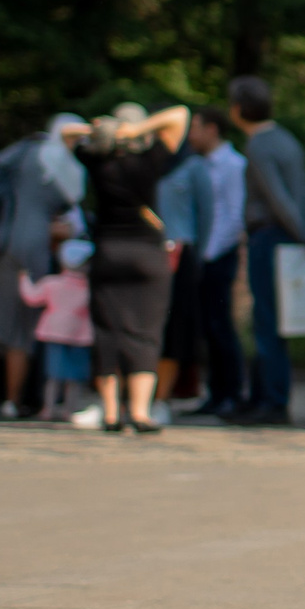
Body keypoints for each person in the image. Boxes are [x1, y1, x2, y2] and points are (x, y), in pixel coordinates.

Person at [60, 103, 190, 434]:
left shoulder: (98, 162)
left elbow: (64, 132)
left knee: (107, 331)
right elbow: (179, 115)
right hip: (147, 254)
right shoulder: (150, 162)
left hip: (107, 253)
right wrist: (137, 129)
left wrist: (97, 130)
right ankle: (141, 411)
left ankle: (110, 412)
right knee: (145, 333)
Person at [0, 113, 85, 420]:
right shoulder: (69, 168)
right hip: (32, 246)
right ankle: (13, 402)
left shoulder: (24, 151)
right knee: (20, 329)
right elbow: (71, 221)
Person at [227, 76, 305, 427]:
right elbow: (304, 191)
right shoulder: (287, 140)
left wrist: (301, 232)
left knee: (267, 321)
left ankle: (271, 400)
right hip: (290, 234)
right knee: (274, 320)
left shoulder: (259, 145)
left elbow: (278, 197)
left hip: (271, 236)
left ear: (239, 109)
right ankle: (262, 396)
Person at [153, 125, 215, 421]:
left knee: (175, 330)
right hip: (147, 252)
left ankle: (162, 399)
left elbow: (206, 215)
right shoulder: (145, 163)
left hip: (181, 254)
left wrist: (197, 256)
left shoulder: (192, 166)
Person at [189, 107, 248, 418]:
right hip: (205, 254)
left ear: (212, 129)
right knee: (208, 328)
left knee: (221, 326)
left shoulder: (233, 165)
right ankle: (215, 393)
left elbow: (234, 216)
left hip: (218, 254)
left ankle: (232, 393)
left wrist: (209, 253)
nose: (190, 135)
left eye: (195, 127)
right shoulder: (201, 165)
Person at [18, 238, 95, 422]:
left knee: (53, 376)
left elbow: (31, 297)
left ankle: (48, 409)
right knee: (75, 378)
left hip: (54, 334)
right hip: (80, 337)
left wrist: (23, 278)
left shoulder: (52, 283)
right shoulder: (90, 288)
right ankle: (70, 409)